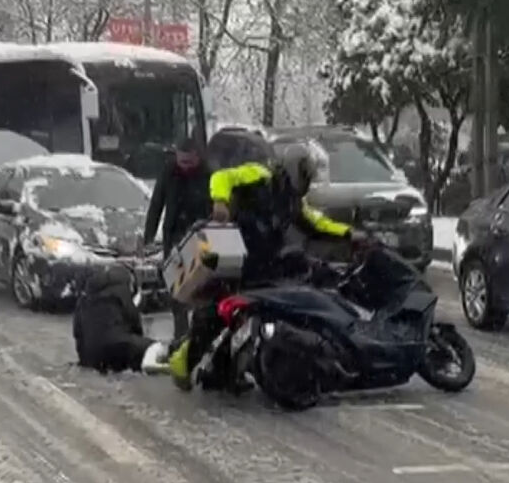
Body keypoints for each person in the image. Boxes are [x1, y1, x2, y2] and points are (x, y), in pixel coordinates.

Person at [167, 141, 365, 390]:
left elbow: (316, 223)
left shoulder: (291, 200)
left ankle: (227, 371)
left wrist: (348, 233)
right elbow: (222, 177)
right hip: (235, 255)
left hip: (265, 263)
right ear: (295, 168)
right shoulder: (260, 175)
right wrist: (220, 202)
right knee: (217, 314)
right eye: (306, 175)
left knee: (260, 307)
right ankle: (184, 362)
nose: (307, 183)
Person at [143, 134, 211, 340]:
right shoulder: (169, 172)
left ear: (198, 158)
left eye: (189, 162)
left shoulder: (208, 174)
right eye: (181, 162)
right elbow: (156, 205)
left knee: (201, 289)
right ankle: (180, 335)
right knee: (176, 289)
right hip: (173, 235)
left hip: (201, 236)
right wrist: (148, 237)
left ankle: (201, 333)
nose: (185, 166)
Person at [73, 264, 168, 374]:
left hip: (91, 354)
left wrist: (85, 360)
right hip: (119, 346)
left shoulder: (84, 299)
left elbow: (77, 333)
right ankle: (152, 367)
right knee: (156, 347)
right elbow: (134, 320)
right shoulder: (122, 291)